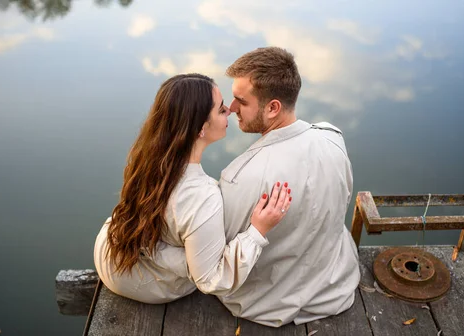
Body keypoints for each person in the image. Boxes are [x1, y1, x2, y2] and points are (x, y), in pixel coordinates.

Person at [93, 73, 292, 304]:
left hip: (107, 251)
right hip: (139, 282)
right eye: (220, 109)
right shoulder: (202, 196)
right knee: (205, 261)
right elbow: (211, 280)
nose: (229, 110)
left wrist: (161, 249)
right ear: (200, 128)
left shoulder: (149, 157)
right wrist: (257, 232)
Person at [217, 47, 360, 327]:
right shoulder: (334, 139)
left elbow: (224, 255)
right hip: (336, 290)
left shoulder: (240, 176)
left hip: (264, 305)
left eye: (240, 101)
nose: (231, 108)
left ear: (272, 108)